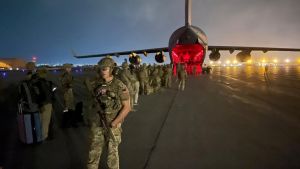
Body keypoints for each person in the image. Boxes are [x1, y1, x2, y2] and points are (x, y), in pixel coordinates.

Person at [87, 57, 131, 169]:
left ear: (111, 69)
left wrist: (115, 122)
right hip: (97, 123)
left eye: (105, 69)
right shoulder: (96, 84)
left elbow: (127, 107)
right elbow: (91, 103)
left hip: (112, 124)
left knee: (112, 155)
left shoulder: (119, 85)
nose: (102, 71)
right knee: (93, 153)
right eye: (100, 69)